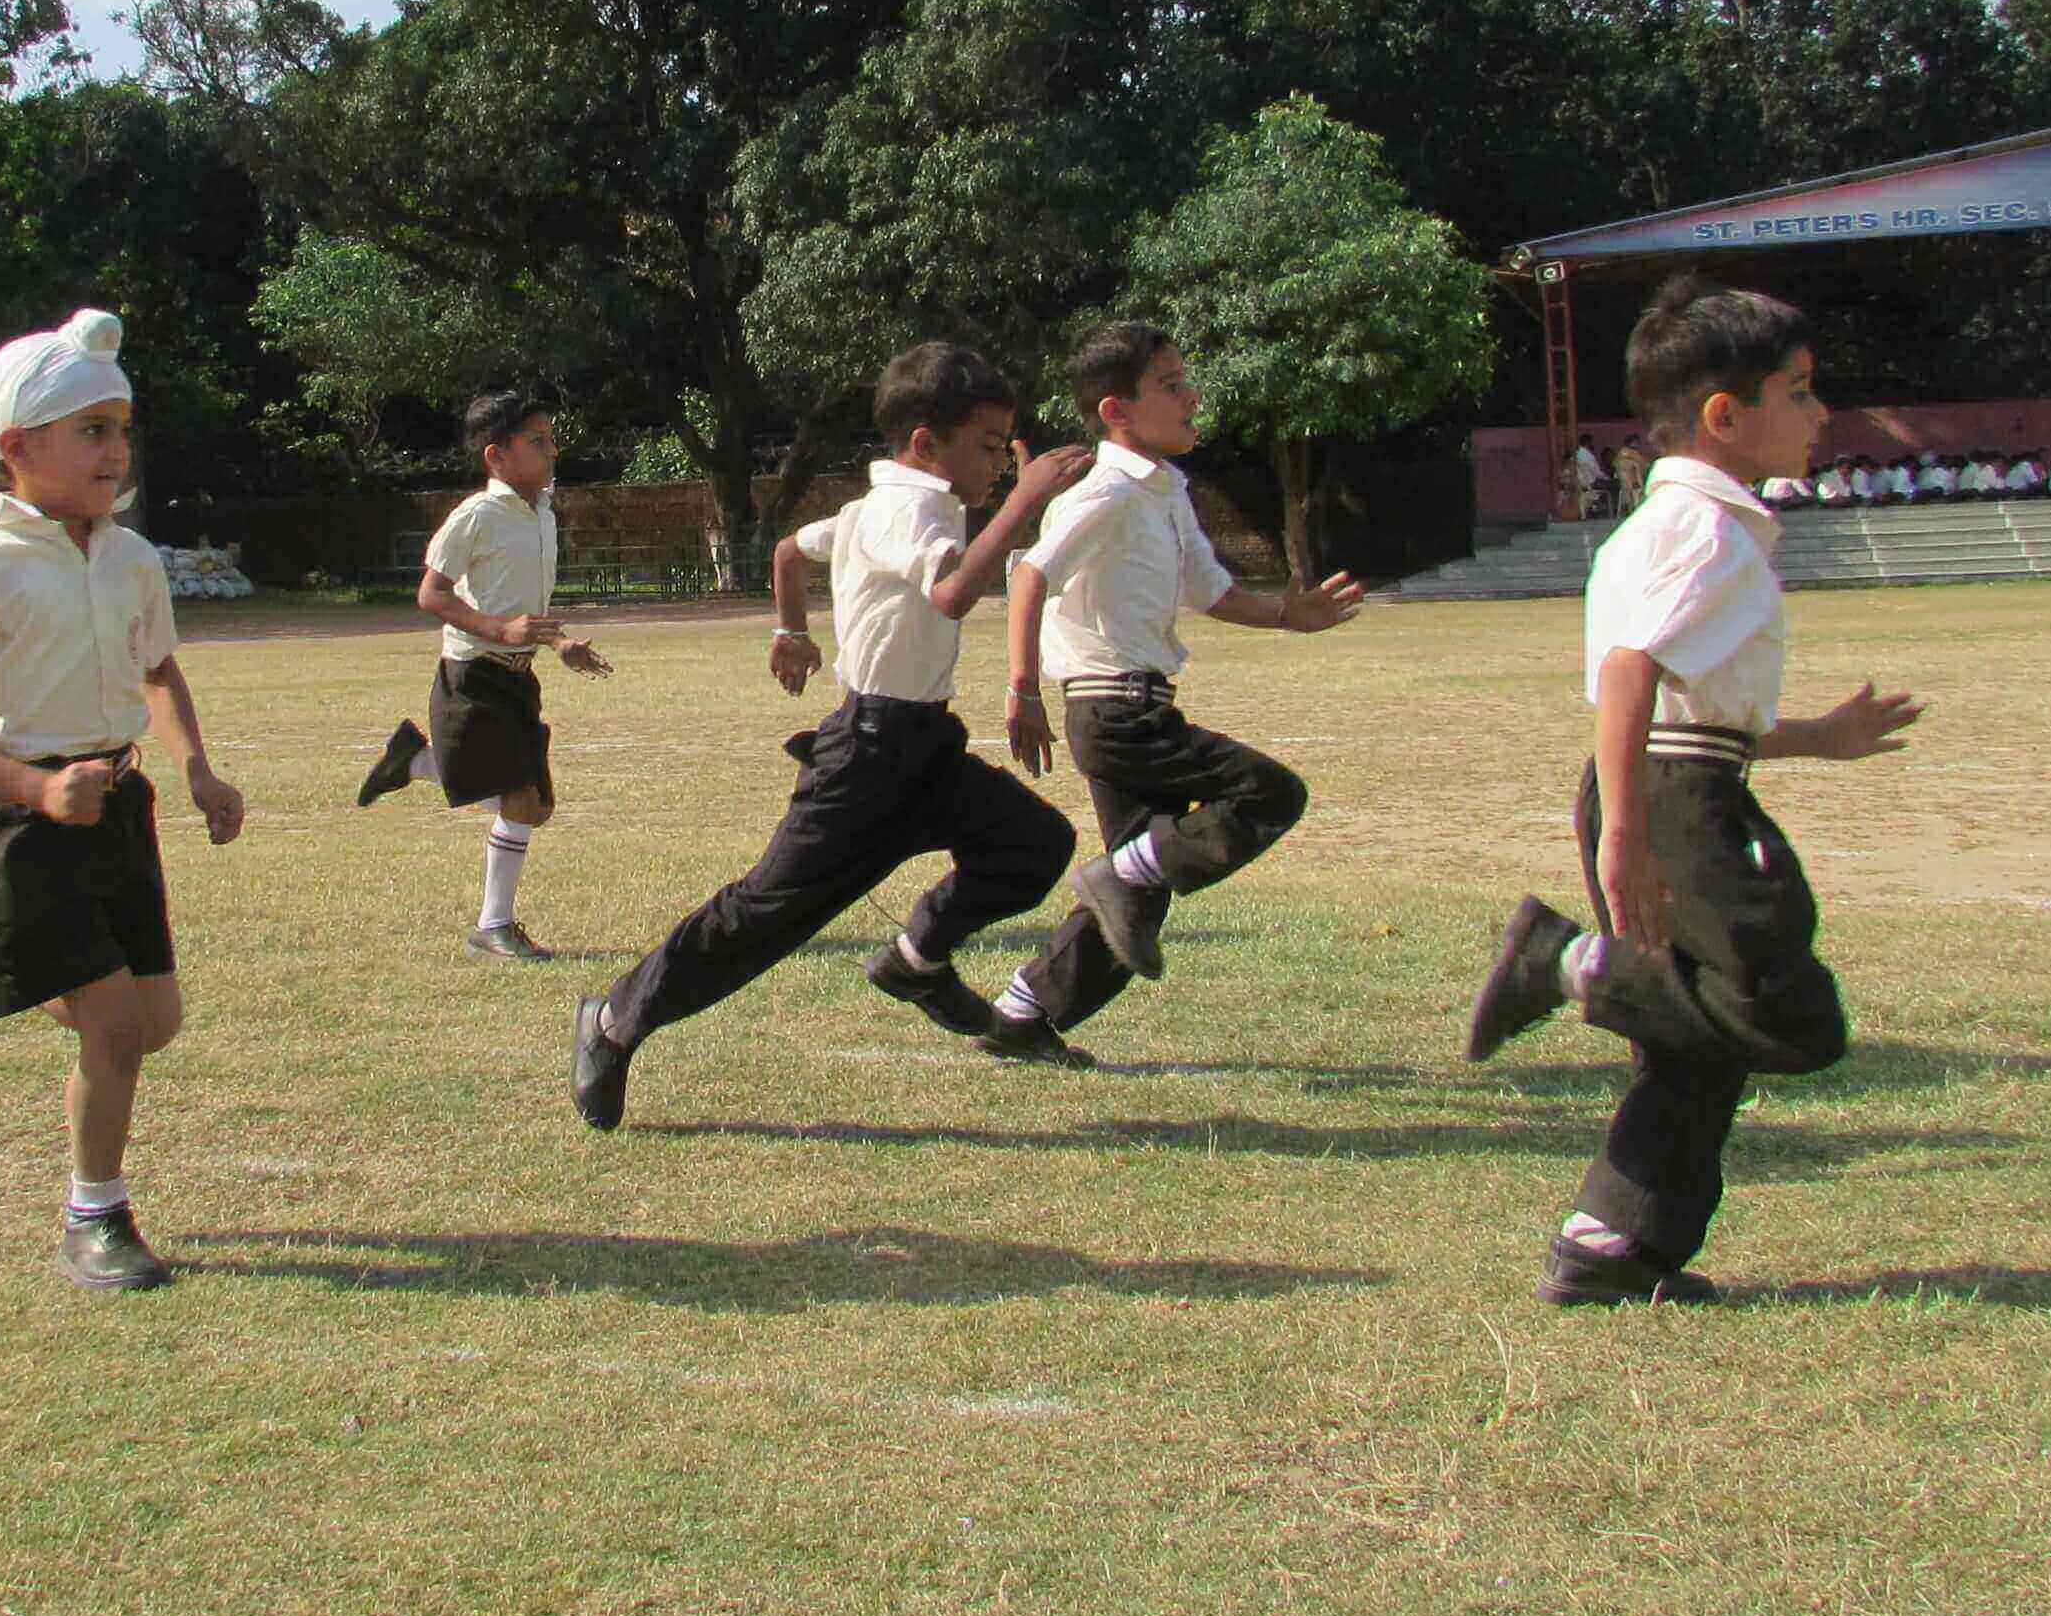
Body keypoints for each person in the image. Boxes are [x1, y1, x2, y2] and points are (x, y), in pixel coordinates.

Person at [1465, 276, 1923, 1304]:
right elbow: (1630, 674)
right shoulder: (1708, 533)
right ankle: (1566, 964)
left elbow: (1694, 707)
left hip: (1670, 780)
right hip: (1674, 800)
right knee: (1782, 1015)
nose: (1820, 413)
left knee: (1695, 1046)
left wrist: (1817, 739)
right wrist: (1629, 837)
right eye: (1798, 392)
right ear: (1725, 415)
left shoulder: (1677, 524)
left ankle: (1611, 1247)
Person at [568, 346, 1090, 1130]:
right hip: (867, 757)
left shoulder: (878, 509)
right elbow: (950, 593)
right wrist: (1028, 499)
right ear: (924, 444)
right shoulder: (901, 511)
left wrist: (791, 630)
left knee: (1036, 842)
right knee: (761, 915)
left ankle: (916, 961)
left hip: (925, 748)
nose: (997, 462)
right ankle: (610, 1021)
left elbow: (788, 550)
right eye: (987, 445)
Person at [0, 309, 250, 1292]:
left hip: (118, 813)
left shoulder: (131, 558)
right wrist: (39, 789)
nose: (115, 448)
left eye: (121, 429)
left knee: (154, 1019)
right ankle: (96, 1214)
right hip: (25, 826)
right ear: (16, 447)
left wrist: (195, 770)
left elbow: (160, 674)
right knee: (113, 1027)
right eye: (91, 429)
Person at [988, 319, 1365, 1062]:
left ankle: (1021, 1014)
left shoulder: (1164, 489)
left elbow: (1211, 590)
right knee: (1270, 793)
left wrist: (1288, 615)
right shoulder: (1106, 493)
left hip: (1137, 705)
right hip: (1113, 710)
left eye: (1185, 380)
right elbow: (1031, 573)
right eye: (1170, 385)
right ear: (1115, 412)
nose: (1192, 396)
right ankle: (1114, 877)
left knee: (1139, 896)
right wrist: (1023, 690)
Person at [356, 391, 610, 961]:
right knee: (519, 800)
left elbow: (526, 610)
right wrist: (497, 630)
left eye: (550, 438)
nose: (551, 451)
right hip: (472, 675)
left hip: (519, 679)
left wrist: (560, 643)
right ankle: (492, 927)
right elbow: (431, 594)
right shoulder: (475, 515)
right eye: (536, 442)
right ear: (497, 457)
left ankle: (414, 762)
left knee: (537, 809)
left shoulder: (543, 513)